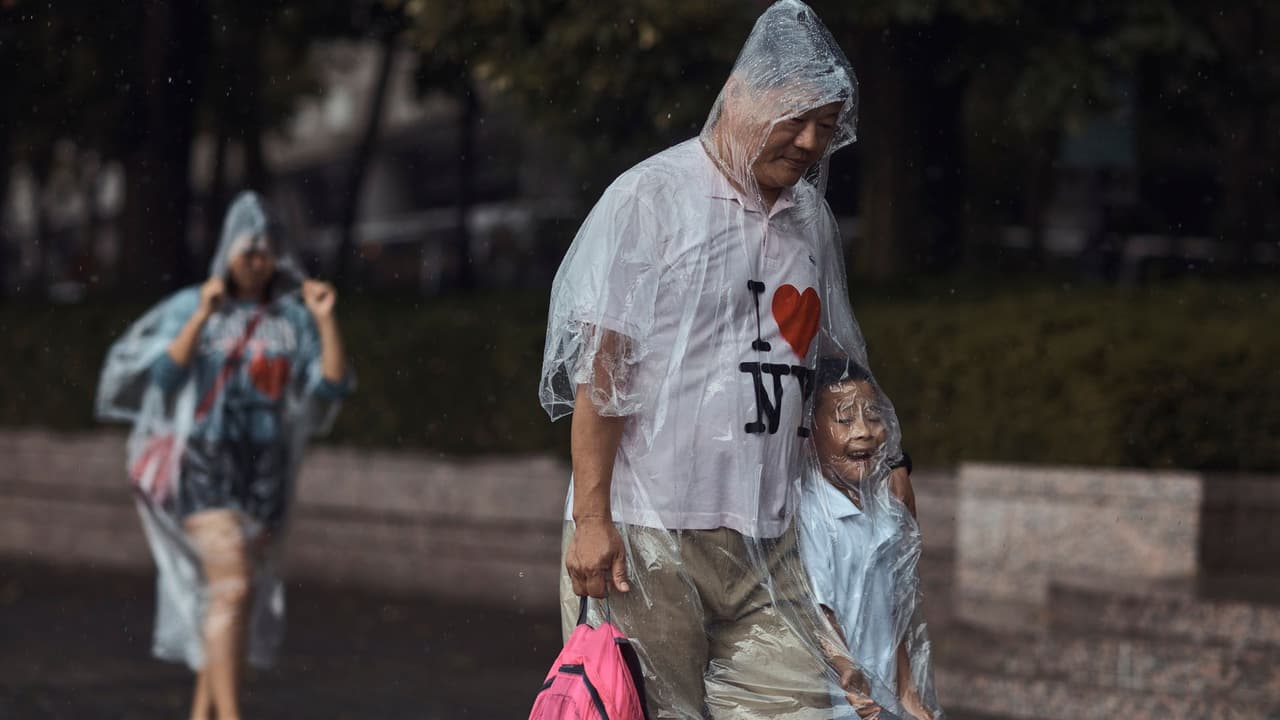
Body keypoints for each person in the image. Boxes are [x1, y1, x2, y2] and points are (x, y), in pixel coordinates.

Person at [539, 2, 913, 716]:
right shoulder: (652, 198)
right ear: (740, 96)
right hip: (648, 535)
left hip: (770, 540)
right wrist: (591, 519)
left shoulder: (808, 218)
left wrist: (885, 455)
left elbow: (830, 359)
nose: (810, 142)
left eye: (827, 127)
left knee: (802, 707)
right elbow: (603, 372)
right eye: (796, 119)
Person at [96, 191, 352, 720]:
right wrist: (200, 318)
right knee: (231, 589)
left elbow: (329, 387)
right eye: (246, 249)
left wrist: (325, 319)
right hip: (206, 467)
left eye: (265, 250)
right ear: (227, 251)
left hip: (265, 478)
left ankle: (201, 712)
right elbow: (163, 377)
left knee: (231, 598)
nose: (255, 260)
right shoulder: (195, 304)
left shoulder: (293, 318)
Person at [799, 359, 943, 719]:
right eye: (844, 419)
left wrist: (909, 696)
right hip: (838, 706)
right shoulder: (814, 515)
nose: (863, 431)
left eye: (874, 417)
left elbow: (892, 614)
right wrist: (846, 670)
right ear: (810, 432)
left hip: (882, 702)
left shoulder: (884, 511)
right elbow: (819, 614)